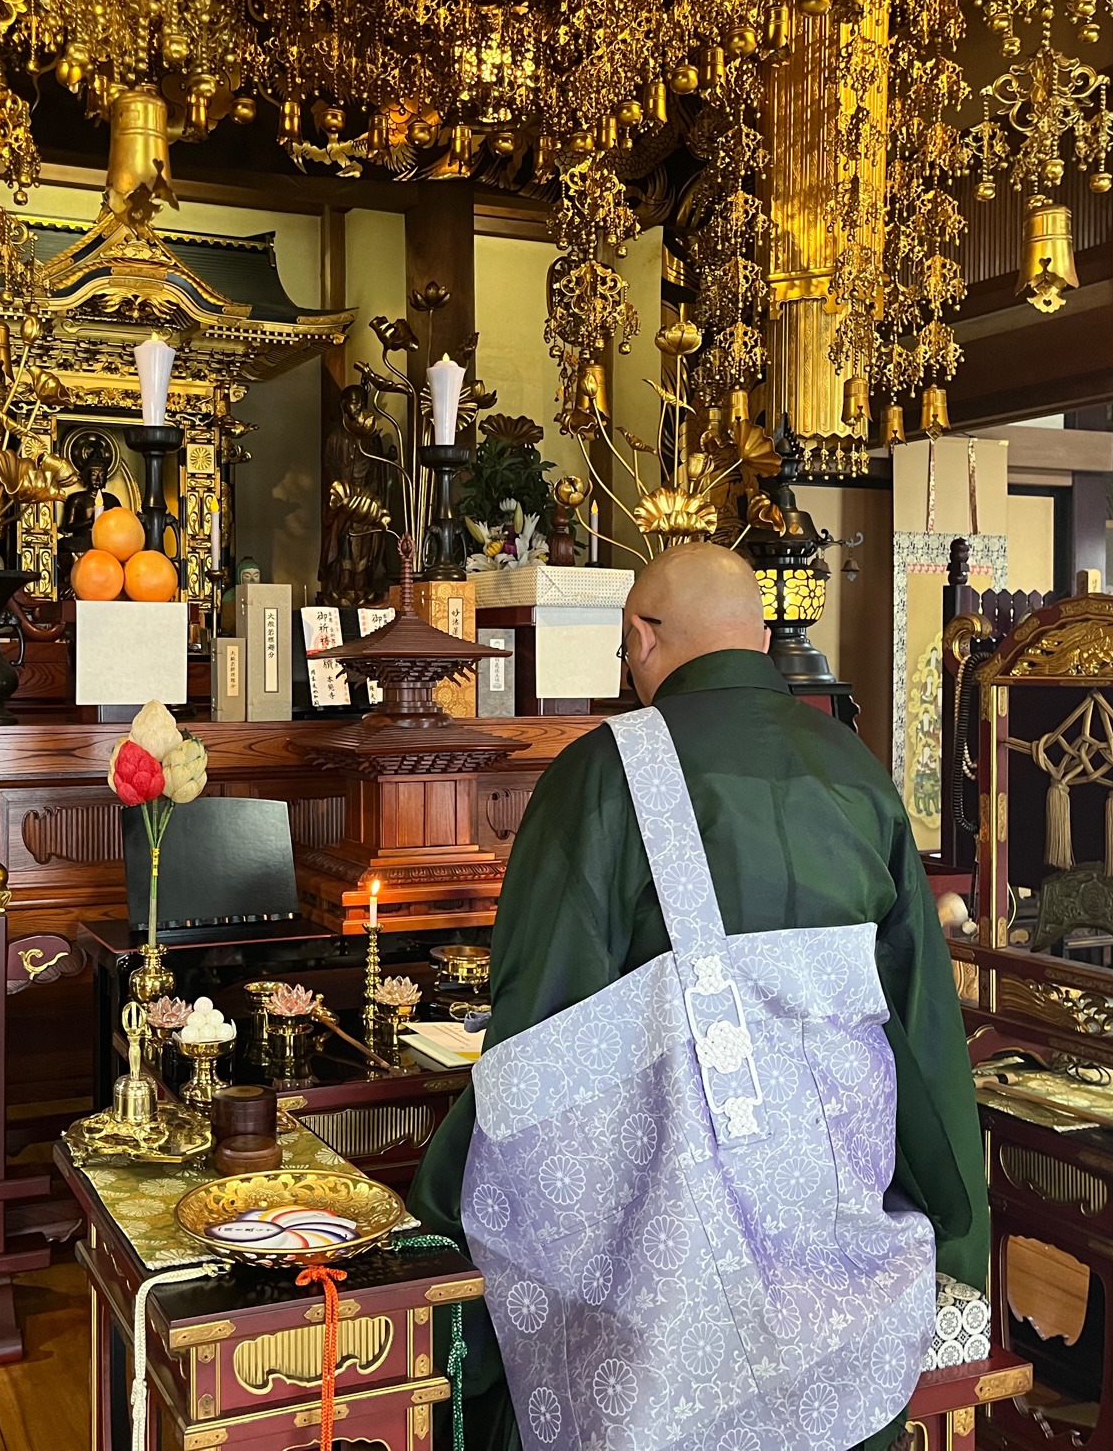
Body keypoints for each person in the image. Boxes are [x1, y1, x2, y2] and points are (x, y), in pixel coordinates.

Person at [409, 541, 988, 1451]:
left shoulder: (604, 772)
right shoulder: (857, 770)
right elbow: (921, 1027)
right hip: (849, 1261)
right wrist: (956, 1239)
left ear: (639, 634)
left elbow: (536, 1037)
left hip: (666, 1277)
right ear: (757, 634)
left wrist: (438, 1201)